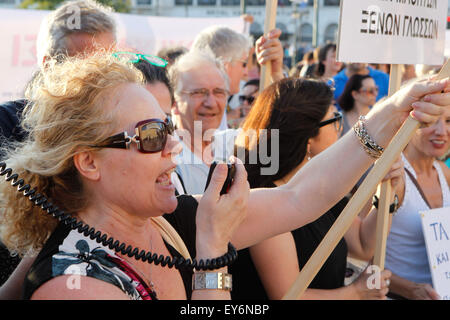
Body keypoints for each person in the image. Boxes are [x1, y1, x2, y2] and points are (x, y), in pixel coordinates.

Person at [0, 52, 447, 300]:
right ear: (88, 161)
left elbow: (300, 197)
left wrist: (394, 110)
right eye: (152, 135)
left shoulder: (168, 223)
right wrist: (212, 252)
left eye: (169, 128)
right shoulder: (73, 284)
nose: (175, 145)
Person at [230, 78, 402, 300]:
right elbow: (287, 295)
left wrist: (386, 193)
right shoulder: (263, 197)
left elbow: (362, 245)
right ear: (308, 138)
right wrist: (356, 293)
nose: (340, 131)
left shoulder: (325, 187)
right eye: (334, 120)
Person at [0, 0, 117, 298]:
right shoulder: (6, 124)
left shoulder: (123, 131)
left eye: (108, 66)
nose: (96, 81)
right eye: (82, 66)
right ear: (48, 65)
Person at [385, 107, 450, 300]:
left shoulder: (443, 173)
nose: (441, 131)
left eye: (449, 121)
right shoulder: (391, 176)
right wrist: (410, 289)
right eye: (429, 121)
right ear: (406, 124)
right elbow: (362, 259)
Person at [192, 26, 284, 131]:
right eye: (243, 64)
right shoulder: (202, 111)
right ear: (224, 64)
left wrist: (276, 73)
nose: (245, 72)